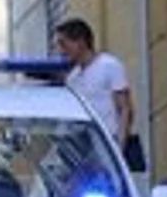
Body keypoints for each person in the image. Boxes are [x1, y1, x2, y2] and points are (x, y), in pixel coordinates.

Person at [52, 17, 145, 173]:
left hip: (109, 143)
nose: (61, 51)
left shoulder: (109, 66)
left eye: (63, 44)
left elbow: (125, 109)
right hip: (83, 149)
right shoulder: (73, 77)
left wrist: (118, 151)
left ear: (80, 41)